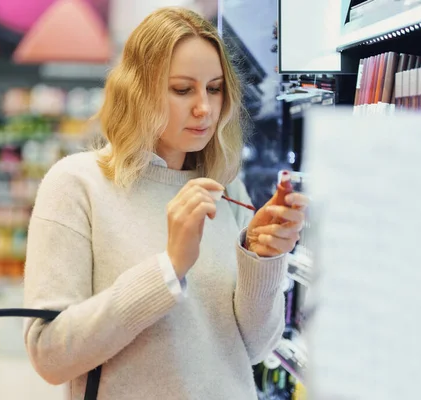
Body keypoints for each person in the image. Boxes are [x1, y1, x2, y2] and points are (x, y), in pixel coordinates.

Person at [23, 6, 308, 400]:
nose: (204, 108)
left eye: (214, 88)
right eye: (182, 89)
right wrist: (168, 268)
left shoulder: (226, 189)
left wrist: (263, 259)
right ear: (137, 90)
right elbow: (49, 355)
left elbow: (254, 349)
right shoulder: (77, 184)